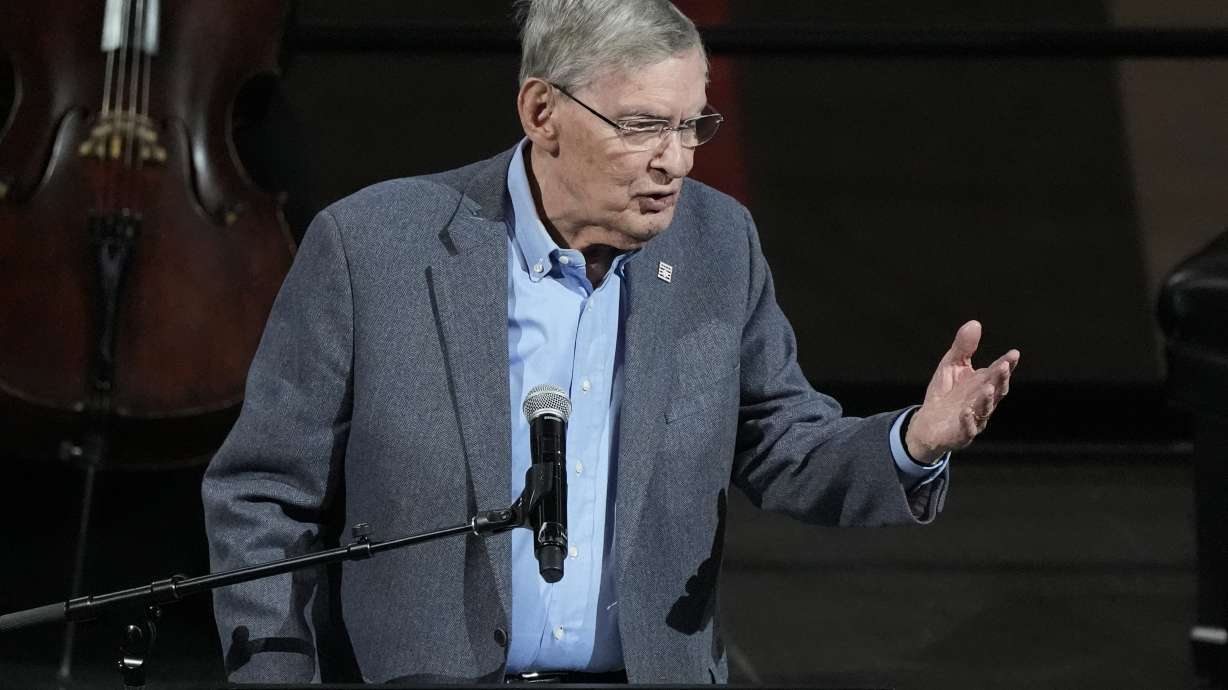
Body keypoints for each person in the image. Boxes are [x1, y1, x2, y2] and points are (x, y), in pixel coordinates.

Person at [202, 0, 1020, 684]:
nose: (675, 161)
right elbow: (262, 495)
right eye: (641, 126)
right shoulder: (374, 248)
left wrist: (913, 441)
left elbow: (781, 440)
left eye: (690, 124)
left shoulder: (715, 245)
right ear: (541, 112)